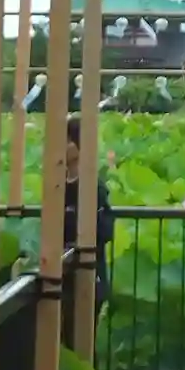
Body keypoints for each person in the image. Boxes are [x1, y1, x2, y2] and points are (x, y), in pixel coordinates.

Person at [63, 116, 114, 300]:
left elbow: (105, 230)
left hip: (90, 273)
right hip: (61, 276)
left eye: (66, 140)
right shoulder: (56, 187)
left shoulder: (94, 187)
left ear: (77, 145)